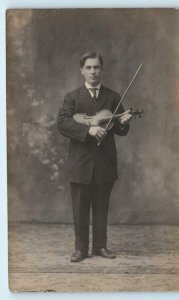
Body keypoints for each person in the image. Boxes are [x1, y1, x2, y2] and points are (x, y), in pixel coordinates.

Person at [57, 52, 132, 262]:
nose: (92, 71)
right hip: (80, 164)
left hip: (104, 163)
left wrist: (124, 122)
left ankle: (100, 246)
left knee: (102, 207)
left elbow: (119, 129)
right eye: (88, 67)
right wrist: (87, 131)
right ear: (82, 70)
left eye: (96, 67)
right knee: (80, 208)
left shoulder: (113, 97)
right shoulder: (72, 97)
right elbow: (62, 123)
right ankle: (81, 249)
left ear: (102, 69)